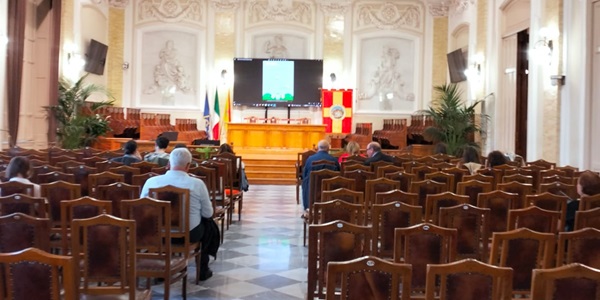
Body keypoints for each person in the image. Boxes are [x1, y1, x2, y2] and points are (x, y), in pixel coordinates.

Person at [140, 147, 217, 280]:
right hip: (188, 234)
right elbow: (208, 213)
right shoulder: (197, 184)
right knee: (209, 225)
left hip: (157, 234)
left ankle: (160, 269)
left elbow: (141, 209)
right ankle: (202, 269)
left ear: (169, 164)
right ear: (188, 166)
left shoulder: (151, 182)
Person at [301, 140, 340, 214]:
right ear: (328, 148)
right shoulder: (334, 160)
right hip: (329, 190)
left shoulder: (310, 159)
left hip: (313, 190)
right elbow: (338, 175)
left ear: (318, 148)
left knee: (306, 181)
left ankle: (309, 207)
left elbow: (305, 175)